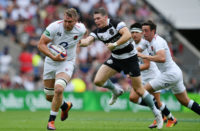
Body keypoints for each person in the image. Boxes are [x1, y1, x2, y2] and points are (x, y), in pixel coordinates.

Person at [79, 8, 163, 129]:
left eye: (98, 18)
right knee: (98, 80)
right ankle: (116, 91)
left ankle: (157, 113)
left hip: (130, 58)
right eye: (94, 19)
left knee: (139, 90)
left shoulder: (116, 23)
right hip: (116, 58)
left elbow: (128, 35)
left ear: (105, 17)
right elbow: (87, 41)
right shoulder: (97, 31)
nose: (96, 21)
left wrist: (115, 44)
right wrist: (79, 41)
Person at [137, 20, 200, 118]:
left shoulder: (158, 42)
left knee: (142, 90)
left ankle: (163, 115)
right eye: (143, 31)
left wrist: (145, 56)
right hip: (174, 72)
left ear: (153, 31)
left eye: (146, 31)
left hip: (170, 74)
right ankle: (165, 114)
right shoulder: (147, 41)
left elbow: (162, 58)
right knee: (185, 101)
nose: (143, 33)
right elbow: (136, 51)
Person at [37, 8, 87, 130]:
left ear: (76, 21)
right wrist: (53, 56)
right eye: (65, 21)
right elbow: (41, 44)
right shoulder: (54, 27)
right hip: (51, 60)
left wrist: (82, 44)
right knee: (49, 96)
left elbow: (81, 39)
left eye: (70, 22)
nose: (67, 24)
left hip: (67, 62)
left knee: (58, 89)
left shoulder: (81, 29)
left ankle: (51, 122)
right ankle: (65, 106)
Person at [129, 23, 177, 128]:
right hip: (141, 77)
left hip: (152, 75)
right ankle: (167, 117)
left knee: (157, 102)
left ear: (141, 33)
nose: (134, 35)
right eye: (132, 32)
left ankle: (168, 118)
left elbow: (146, 65)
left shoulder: (144, 44)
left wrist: (133, 69)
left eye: (136, 32)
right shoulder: (132, 45)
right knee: (133, 97)